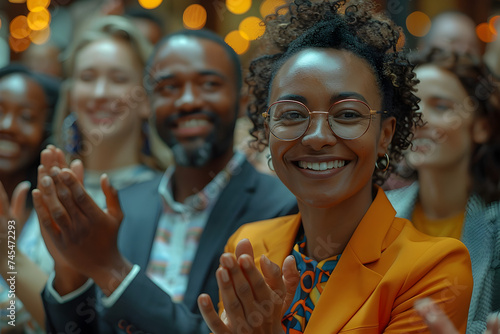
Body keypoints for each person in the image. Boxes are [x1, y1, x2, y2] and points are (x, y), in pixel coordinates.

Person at [196, 0, 474, 333]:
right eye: (293, 115)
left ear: (385, 135)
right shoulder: (248, 247)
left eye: (347, 115)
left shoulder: (432, 267)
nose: (317, 138)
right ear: (268, 129)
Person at [34, 29, 297, 333]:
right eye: (169, 87)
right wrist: (70, 272)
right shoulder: (125, 205)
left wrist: (112, 270)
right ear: (147, 103)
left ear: (241, 101)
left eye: (209, 84)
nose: (187, 101)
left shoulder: (281, 207)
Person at [386, 49, 500, 333]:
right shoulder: (378, 214)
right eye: (411, 107)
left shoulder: (496, 227)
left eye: (441, 107)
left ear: (482, 128)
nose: (419, 120)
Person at [51, 15, 161, 208]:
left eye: (118, 79)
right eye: (87, 77)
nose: (100, 93)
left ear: (146, 99)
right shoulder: (48, 190)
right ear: (71, 96)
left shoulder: (167, 197)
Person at [0, 64, 60, 332]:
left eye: (26, 116)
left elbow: (69, 320)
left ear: (45, 131)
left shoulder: (55, 210)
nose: (8, 126)